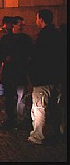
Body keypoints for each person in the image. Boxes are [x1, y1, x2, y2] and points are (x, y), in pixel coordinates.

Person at [27, 9, 66, 145]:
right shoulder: (58, 34)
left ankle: (38, 135)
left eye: (37, 18)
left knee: (39, 108)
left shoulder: (42, 36)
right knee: (59, 107)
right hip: (58, 77)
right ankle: (62, 131)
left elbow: (37, 59)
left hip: (43, 78)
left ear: (41, 19)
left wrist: (33, 77)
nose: (36, 21)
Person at [0, 16, 33, 130]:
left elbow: (31, 54)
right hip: (10, 73)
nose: (22, 26)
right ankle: (11, 119)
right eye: (20, 24)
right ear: (14, 25)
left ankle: (20, 118)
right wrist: (4, 58)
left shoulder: (26, 39)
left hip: (20, 72)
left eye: (23, 24)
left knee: (21, 97)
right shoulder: (6, 39)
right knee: (9, 98)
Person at [0, 16, 15, 96]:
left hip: (5, 55)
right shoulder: (1, 32)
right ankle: (1, 90)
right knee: (2, 72)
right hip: (3, 56)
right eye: (10, 23)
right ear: (6, 24)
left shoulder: (7, 31)